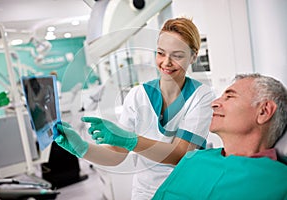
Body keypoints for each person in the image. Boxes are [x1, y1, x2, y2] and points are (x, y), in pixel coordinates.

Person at [55, 17, 215, 199]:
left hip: (186, 192)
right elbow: (117, 155)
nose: (166, 62)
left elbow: (180, 154)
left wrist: (131, 141)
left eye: (177, 55)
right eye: (161, 53)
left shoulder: (201, 96)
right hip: (145, 194)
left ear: (193, 56)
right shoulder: (138, 95)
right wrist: (82, 149)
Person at [151, 73, 287, 199]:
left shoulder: (279, 182)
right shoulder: (193, 159)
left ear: (264, 111)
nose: (213, 103)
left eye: (229, 96)